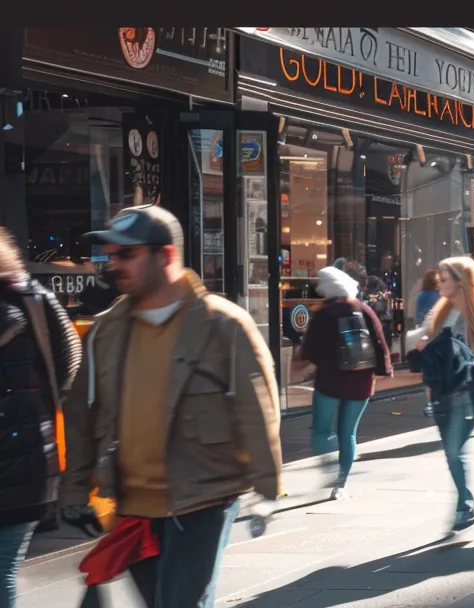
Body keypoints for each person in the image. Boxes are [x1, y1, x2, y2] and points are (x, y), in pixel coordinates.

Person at [59, 205, 283, 606]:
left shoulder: (222, 324)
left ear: (165, 255)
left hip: (202, 498)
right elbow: (82, 415)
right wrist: (75, 492)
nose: (113, 265)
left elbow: (257, 408)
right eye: (109, 256)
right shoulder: (106, 329)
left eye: (126, 255)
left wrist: (267, 488)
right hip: (132, 505)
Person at [0, 227, 81, 607]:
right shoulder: (33, 296)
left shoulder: (27, 298)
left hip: (21, 462)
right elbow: (68, 362)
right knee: (3, 568)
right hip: (32, 456)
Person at [407, 256, 474, 531]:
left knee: (453, 449)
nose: (439, 283)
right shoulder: (441, 311)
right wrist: (419, 342)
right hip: (439, 391)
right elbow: (418, 338)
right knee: (452, 452)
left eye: (445, 278)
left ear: (462, 282)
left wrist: (466, 364)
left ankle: (464, 503)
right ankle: (464, 499)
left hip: (466, 392)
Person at [298, 266, 392, 501]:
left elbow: (309, 350)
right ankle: (340, 483)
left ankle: (329, 466)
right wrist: (384, 371)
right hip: (360, 384)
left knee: (321, 431)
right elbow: (380, 344)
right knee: (348, 433)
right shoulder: (365, 310)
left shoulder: (324, 313)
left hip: (329, 382)